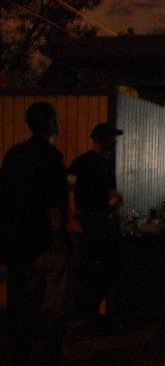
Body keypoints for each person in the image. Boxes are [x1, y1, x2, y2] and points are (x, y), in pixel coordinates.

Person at [0, 102, 71, 366]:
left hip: (17, 243)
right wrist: (62, 241)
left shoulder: (13, 154)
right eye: (57, 118)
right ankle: (46, 357)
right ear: (51, 123)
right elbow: (53, 207)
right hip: (44, 244)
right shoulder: (51, 157)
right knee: (52, 306)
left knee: (20, 303)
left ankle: (19, 355)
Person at [67, 122, 123, 335]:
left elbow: (109, 192)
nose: (115, 142)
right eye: (112, 138)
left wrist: (114, 201)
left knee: (105, 270)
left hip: (104, 222)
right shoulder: (82, 162)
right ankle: (84, 318)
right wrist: (74, 217)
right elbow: (69, 189)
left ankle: (90, 316)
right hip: (91, 223)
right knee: (91, 270)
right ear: (102, 140)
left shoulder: (108, 163)